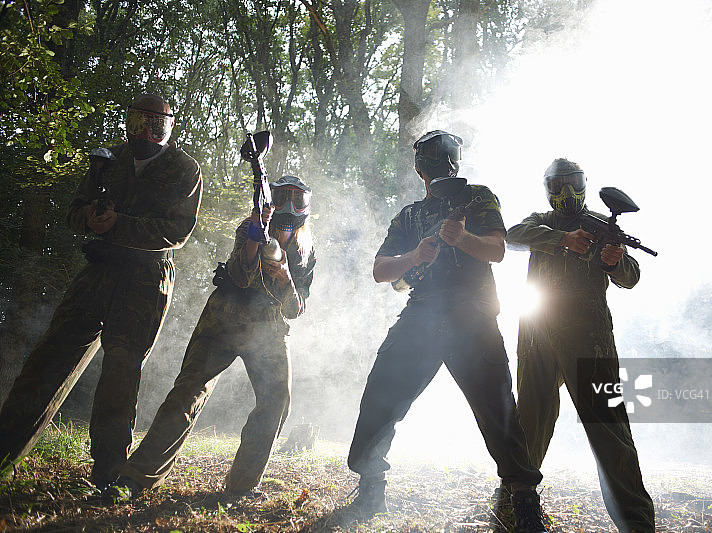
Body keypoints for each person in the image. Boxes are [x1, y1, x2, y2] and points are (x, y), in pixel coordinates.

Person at [346, 130, 548, 532]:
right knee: (381, 396)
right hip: (421, 315)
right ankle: (371, 485)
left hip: (472, 316)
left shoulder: (478, 198)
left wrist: (463, 237)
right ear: (420, 167)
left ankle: (523, 496)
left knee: (498, 410)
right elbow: (380, 270)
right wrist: (416, 255)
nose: (442, 165)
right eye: (433, 159)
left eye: (447, 157)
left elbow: (497, 250)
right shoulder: (408, 216)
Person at [0, 94, 203, 492]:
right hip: (100, 269)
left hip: (145, 279)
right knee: (49, 357)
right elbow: (74, 210)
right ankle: (5, 452)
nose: (145, 131)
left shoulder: (184, 169)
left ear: (170, 127)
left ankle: (109, 475)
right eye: (137, 121)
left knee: (120, 373)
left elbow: (176, 232)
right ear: (127, 122)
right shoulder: (108, 159)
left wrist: (118, 224)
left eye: (156, 125)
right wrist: (89, 219)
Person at [109, 174, 315, 498]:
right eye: (282, 197)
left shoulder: (306, 251)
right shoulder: (250, 227)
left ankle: (242, 487)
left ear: (306, 207)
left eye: (297, 199)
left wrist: (287, 279)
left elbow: (295, 309)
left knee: (277, 402)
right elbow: (239, 277)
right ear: (269, 201)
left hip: (268, 330)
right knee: (187, 393)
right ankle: (135, 478)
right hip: (223, 321)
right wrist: (253, 236)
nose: (289, 206)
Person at [505, 158, 655, 533]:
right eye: (558, 184)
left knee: (609, 426)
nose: (565, 192)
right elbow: (513, 235)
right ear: (548, 189)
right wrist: (562, 240)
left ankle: (636, 522)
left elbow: (632, 277)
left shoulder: (602, 228)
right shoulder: (540, 222)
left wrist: (614, 260)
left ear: (584, 186)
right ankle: (516, 498)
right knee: (530, 420)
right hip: (537, 332)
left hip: (589, 337)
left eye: (572, 183)